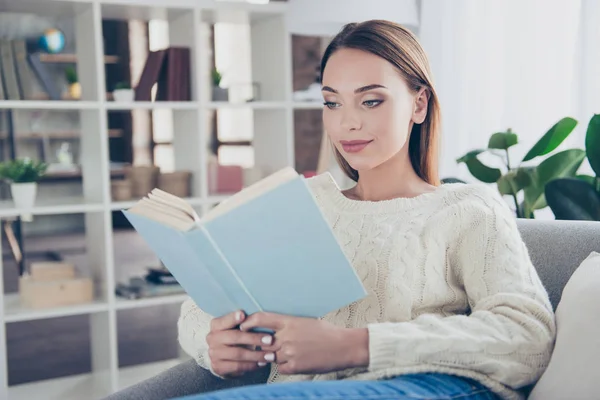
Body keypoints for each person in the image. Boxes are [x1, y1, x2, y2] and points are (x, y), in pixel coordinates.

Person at [177, 20, 556, 400]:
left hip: (427, 385)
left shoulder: (466, 209)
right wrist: (214, 341)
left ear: (419, 104)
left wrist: (355, 344)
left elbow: (526, 335)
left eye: (370, 100)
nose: (347, 122)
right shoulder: (305, 204)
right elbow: (196, 307)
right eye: (332, 102)